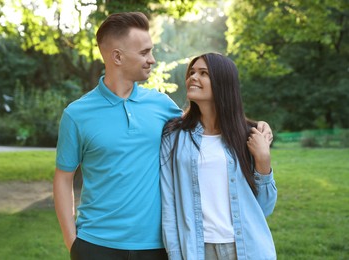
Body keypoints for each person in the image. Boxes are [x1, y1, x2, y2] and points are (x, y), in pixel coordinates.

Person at [53, 12, 273, 260]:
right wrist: (72, 241)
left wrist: (256, 127)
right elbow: (63, 178)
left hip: (157, 247)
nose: (152, 60)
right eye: (145, 52)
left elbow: (208, 123)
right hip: (96, 244)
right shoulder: (77, 114)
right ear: (117, 56)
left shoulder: (162, 106)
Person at [160, 53, 277, 260]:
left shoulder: (249, 135)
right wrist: (175, 254)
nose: (193, 78)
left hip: (246, 249)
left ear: (222, 83)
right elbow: (168, 202)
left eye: (203, 73)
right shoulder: (175, 136)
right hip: (197, 250)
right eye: (192, 72)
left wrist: (263, 161)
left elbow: (264, 209)